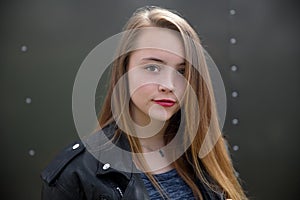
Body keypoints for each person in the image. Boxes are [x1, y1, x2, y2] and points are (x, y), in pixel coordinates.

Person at [41, 6, 247, 200]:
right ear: (124, 70)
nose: (169, 85)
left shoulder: (210, 153)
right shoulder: (76, 174)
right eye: (152, 68)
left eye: (182, 71)